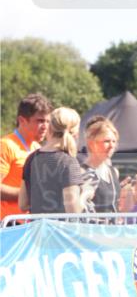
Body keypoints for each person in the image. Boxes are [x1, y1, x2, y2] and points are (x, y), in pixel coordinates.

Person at [19, 107, 90, 215]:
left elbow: (23, 204)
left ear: (50, 128)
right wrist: (86, 193)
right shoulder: (68, 161)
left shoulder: (31, 158)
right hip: (60, 230)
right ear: (75, 133)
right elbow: (73, 210)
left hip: (37, 229)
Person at [0, 93, 51, 223]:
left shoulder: (37, 147)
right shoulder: (6, 145)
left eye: (47, 121)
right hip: (7, 226)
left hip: (29, 224)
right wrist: (30, 195)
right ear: (22, 120)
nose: (45, 126)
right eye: (40, 121)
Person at [81, 116, 122, 212]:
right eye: (107, 141)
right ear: (91, 143)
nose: (112, 146)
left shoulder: (114, 172)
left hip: (114, 226)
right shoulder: (82, 172)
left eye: (114, 141)